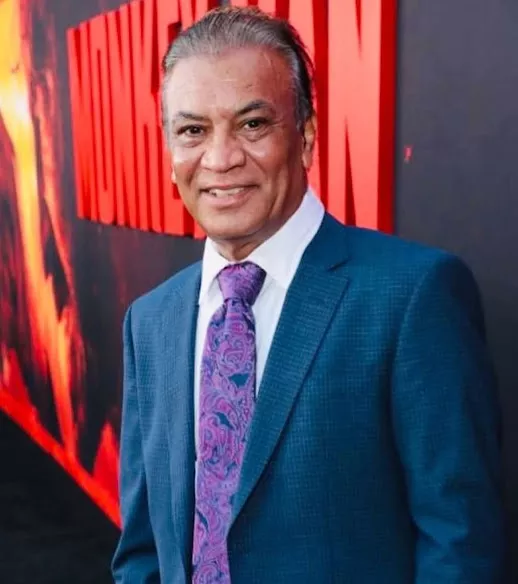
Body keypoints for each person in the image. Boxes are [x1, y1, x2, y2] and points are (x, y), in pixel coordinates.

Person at [112, 6, 504, 583]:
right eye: (192, 130)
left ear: (307, 137)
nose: (220, 159)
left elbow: (460, 547)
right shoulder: (149, 321)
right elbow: (143, 548)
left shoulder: (411, 297)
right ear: (170, 153)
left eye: (252, 124)